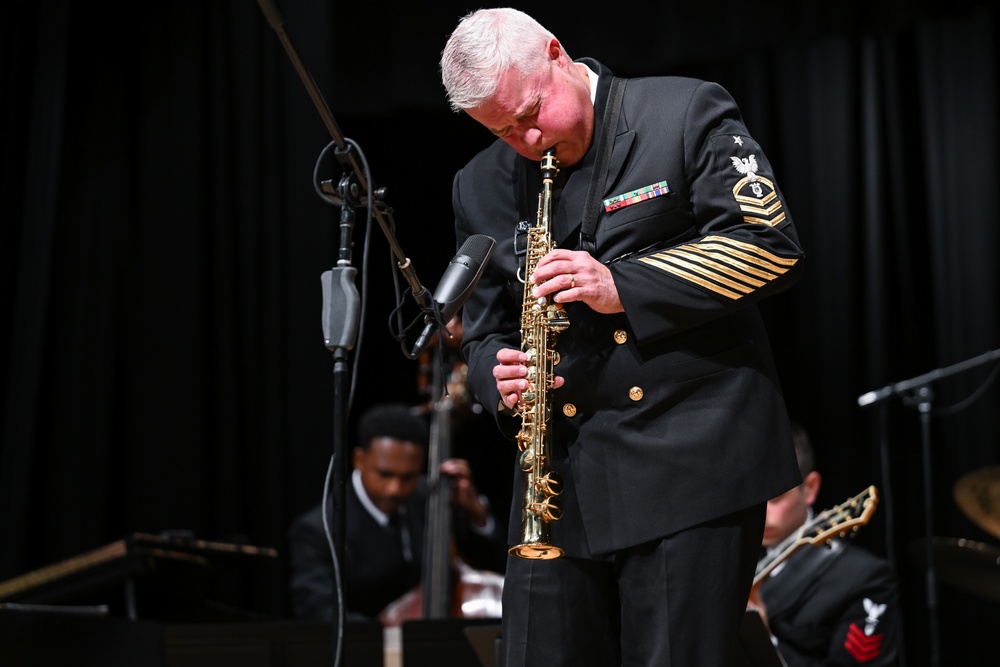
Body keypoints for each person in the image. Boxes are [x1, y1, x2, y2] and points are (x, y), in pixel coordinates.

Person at [439, 8, 807, 666]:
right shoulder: (478, 184)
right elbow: (484, 325)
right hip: (558, 480)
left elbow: (769, 246)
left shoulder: (684, 110)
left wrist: (625, 286)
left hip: (689, 457)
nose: (526, 140)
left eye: (530, 113)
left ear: (557, 54)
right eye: (502, 130)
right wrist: (497, 369)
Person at [287, 402, 506, 622]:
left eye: (408, 477)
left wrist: (477, 517)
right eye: (384, 474)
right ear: (359, 460)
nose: (395, 489)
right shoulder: (318, 529)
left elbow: (492, 563)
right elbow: (319, 612)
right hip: (368, 650)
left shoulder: (430, 496)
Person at [748, 424, 900, 666]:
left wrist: (763, 641)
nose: (762, 513)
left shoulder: (864, 577)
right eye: (751, 498)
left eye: (775, 497)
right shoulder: (735, 561)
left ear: (810, 488)